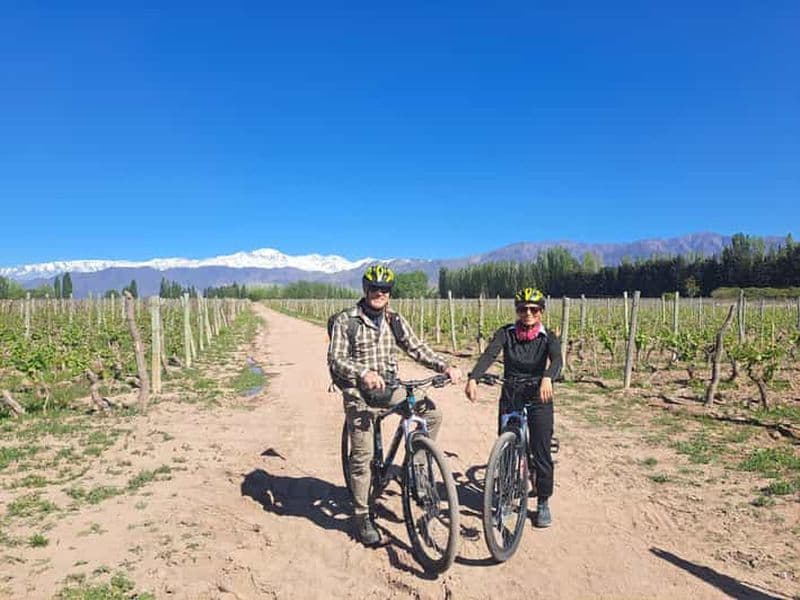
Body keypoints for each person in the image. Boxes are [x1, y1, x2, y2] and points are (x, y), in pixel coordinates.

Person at [328, 264, 462, 547]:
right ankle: (362, 515)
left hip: (389, 388)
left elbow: (416, 347)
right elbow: (336, 359)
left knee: (431, 412)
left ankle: (415, 465)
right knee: (362, 456)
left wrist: (444, 365)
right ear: (365, 290)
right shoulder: (346, 320)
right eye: (374, 288)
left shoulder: (394, 319)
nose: (379, 293)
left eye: (385, 289)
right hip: (359, 393)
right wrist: (363, 373)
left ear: (389, 293)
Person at [464, 287, 562, 528]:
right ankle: (506, 496)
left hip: (539, 397)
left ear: (541, 311)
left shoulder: (547, 336)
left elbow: (558, 359)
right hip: (512, 395)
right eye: (522, 309)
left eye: (533, 309)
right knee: (507, 451)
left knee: (541, 453)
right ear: (517, 311)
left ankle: (542, 502)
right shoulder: (506, 333)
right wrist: (474, 377)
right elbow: (489, 355)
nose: (527, 313)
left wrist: (548, 376)